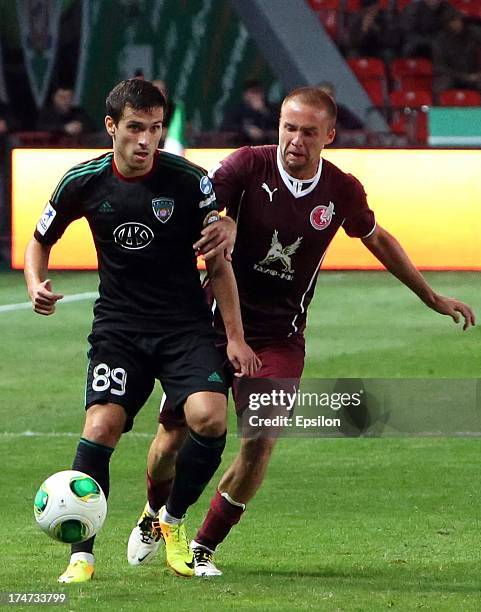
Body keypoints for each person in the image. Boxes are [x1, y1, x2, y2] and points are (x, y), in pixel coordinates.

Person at [127, 86, 476, 577]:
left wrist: (432, 297)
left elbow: (376, 238)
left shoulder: (341, 190)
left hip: (279, 337)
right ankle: (151, 513)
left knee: (260, 439)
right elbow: (201, 209)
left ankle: (200, 545)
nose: (295, 140)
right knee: (173, 436)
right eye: (289, 128)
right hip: (211, 324)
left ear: (329, 135)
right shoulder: (247, 166)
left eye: (309, 132)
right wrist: (220, 222)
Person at [24, 79, 260, 583]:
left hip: (184, 328)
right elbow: (39, 240)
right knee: (101, 427)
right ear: (112, 127)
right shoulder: (81, 182)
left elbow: (217, 264)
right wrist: (34, 283)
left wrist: (235, 337)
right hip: (119, 328)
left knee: (210, 419)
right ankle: (81, 557)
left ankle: (170, 522)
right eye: (135, 128)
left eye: (154, 128)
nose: (146, 139)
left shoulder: (189, 182)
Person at [433, 11, 481, 104]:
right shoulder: (440, 40)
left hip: (474, 74)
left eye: (458, 21)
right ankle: (440, 116)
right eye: (453, 22)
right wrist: (463, 76)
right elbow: (439, 66)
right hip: (453, 75)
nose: (456, 24)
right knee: (439, 86)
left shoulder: (474, 34)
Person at [222, 79, 277, 146]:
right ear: (245, 95)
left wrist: (263, 110)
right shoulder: (236, 110)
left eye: (258, 92)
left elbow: (278, 124)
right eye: (253, 92)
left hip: (267, 146)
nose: (256, 95)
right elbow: (226, 127)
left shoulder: (270, 108)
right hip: (243, 146)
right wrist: (246, 130)